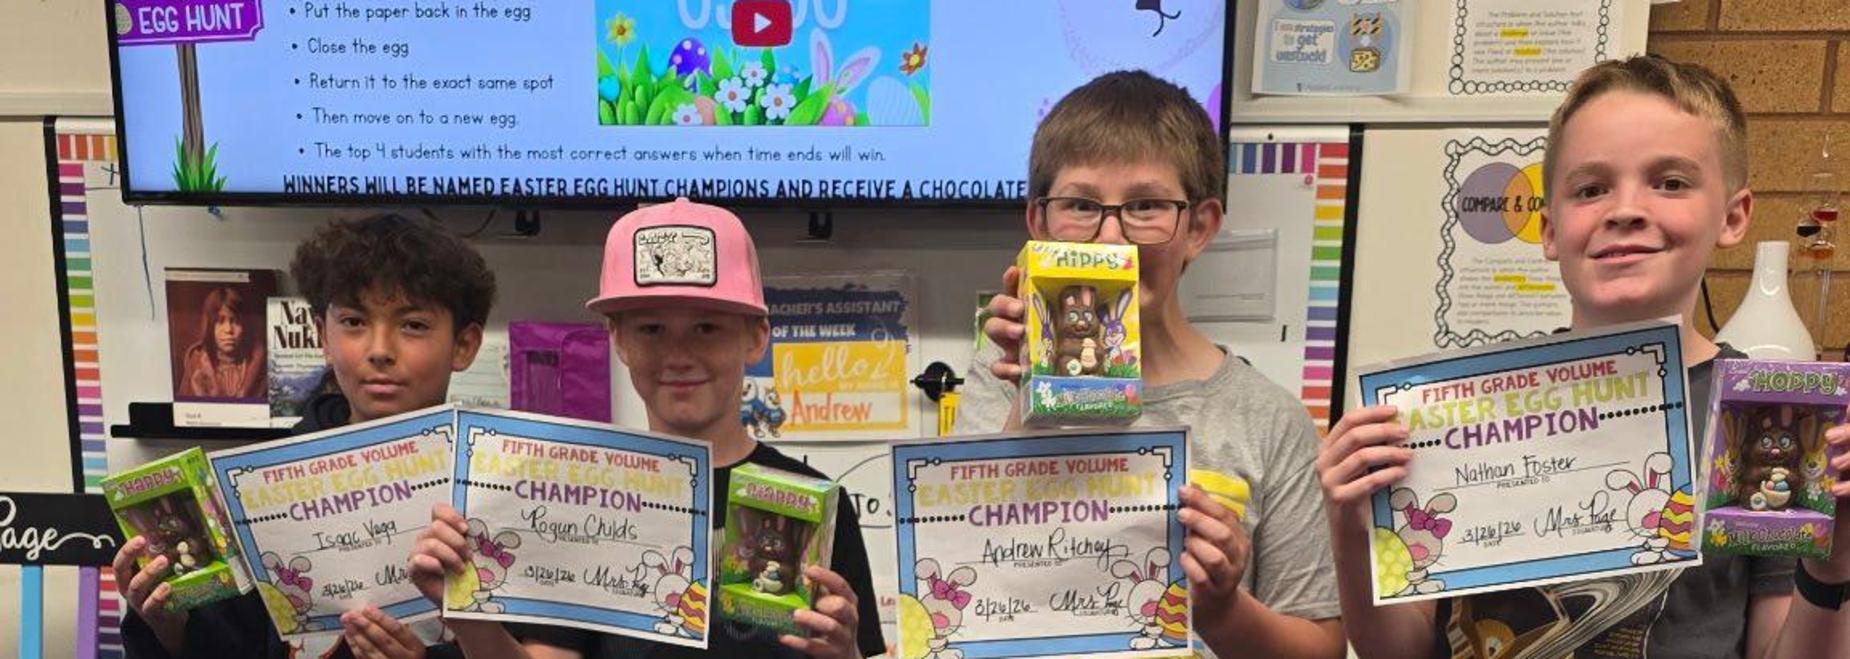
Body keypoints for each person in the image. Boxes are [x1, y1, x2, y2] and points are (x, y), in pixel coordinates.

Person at [1319, 55, 1850, 659]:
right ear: (1549, 230)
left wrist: (1830, 573)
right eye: (1591, 189)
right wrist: (1350, 530)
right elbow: (1399, 652)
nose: (1624, 209)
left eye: (1670, 181)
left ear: (1732, 216)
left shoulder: (1766, 413)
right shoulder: (1460, 414)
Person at [959, 70, 1345, 658]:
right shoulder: (998, 377)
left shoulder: (1268, 420)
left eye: (1146, 206)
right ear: (1038, 223)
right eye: (1081, 205)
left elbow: (1321, 648)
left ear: (1200, 227)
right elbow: (960, 587)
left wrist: (1222, 609)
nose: (1112, 238)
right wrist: (1028, 393)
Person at [408, 198, 886, 659]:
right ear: (617, 339)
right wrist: (469, 615)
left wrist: (846, 653)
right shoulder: (574, 499)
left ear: (756, 337)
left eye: (707, 328)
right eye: (651, 329)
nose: (678, 354)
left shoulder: (814, 499)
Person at [117, 213, 497, 659]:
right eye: (354, 322)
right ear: (323, 335)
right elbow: (228, 644)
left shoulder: (500, 480)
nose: (379, 351)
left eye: (412, 325)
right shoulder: (254, 487)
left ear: (464, 345)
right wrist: (169, 628)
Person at [177, 286, 266, 399]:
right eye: (220, 321)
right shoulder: (196, 363)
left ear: (244, 326)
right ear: (210, 327)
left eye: (235, 321)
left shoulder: (258, 366)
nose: (228, 329)